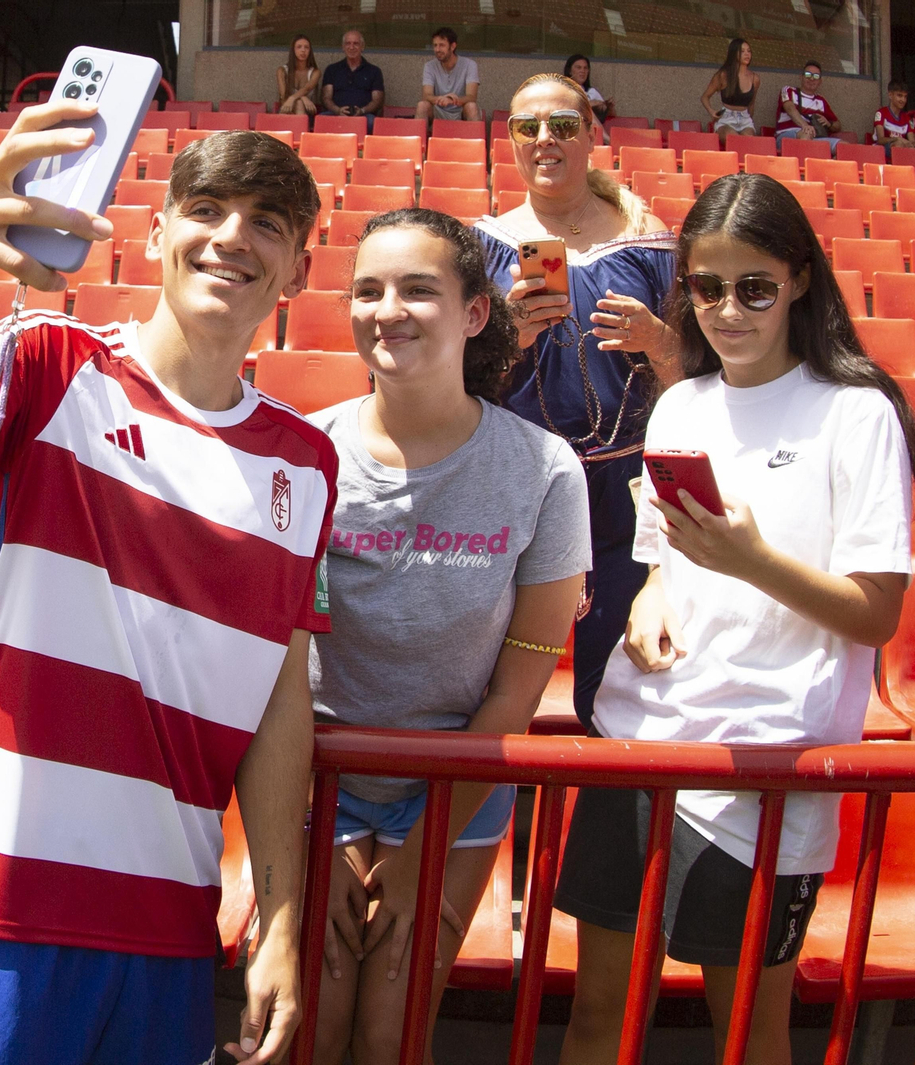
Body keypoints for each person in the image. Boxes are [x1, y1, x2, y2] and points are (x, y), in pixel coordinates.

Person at [0, 117, 335, 1065]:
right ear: (156, 233)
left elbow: (280, 701)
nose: (232, 236)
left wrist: (279, 924)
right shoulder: (48, 358)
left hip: (171, 928)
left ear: (299, 271)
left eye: (267, 222)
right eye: (206, 209)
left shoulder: (307, 463)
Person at [552, 172, 915, 1065]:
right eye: (707, 287)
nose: (728, 310)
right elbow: (661, 560)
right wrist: (650, 600)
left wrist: (754, 562)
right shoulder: (680, 404)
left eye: (754, 287)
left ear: (799, 279)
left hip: (764, 767)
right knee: (599, 1017)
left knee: (747, 1034)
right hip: (641, 742)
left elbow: (876, 614)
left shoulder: (856, 414)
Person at [308, 208, 590, 1065]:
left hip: (457, 774)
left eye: (418, 289)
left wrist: (426, 845)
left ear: (474, 313)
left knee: (391, 1030)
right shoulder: (305, 455)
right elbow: (274, 662)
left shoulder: (545, 469)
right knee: (312, 1022)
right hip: (318, 770)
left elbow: (524, 675)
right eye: (368, 289)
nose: (387, 310)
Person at [477, 73, 680, 730]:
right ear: (509, 140)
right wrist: (507, 339)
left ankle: (606, 800)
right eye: (527, 127)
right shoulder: (479, 247)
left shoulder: (648, 243)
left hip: (627, 495)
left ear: (592, 136)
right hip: (518, 487)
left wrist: (658, 342)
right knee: (496, 685)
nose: (545, 139)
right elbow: (448, 387)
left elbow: (702, 384)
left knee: (621, 690)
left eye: (563, 125)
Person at [322, 29, 385, 128]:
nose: (351, 47)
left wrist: (362, 111)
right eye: (348, 43)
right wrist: (338, 110)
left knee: (372, 123)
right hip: (336, 114)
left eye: (356, 43)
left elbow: (377, 101)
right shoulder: (332, 69)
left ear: (362, 47)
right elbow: (326, 98)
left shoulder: (374, 71)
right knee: (321, 120)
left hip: (364, 115)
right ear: (343, 47)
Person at [700, 38, 758, 144]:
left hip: (745, 119)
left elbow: (751, 103)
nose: (747, 54)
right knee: (733, 138)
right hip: (727, 118)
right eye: (742, 51)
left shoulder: (755, 78)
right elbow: (705, 97)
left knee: (748, 140)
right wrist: (711, 111)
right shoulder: (723, 75)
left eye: (749, 51)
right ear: (734, 53)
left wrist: (750, 119)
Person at [415, 28, 480, 123]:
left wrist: (451, 100)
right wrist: (441, 99)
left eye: (441, 45)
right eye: (435, 45)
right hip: (438, 111)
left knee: (471, 106)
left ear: (453, 46)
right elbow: (426, 95)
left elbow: (471, 97)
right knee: (422, 105)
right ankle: (418, 133)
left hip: (460, 111)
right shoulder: (429, 66)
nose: (437, 49)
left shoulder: (470, 65)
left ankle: (475, 133)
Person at [775, 61, 841, 153]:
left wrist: (829, 123)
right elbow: (790, 108)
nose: (812, 78)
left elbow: (838, 125)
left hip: (814, 138)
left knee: (844, 146)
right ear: (801, 77)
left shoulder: (821, 100)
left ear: (820, 81)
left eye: (816, 76)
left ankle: (825, 163)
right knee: (806, 134)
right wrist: (805, 126)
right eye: (808, 74)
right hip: (787, 136)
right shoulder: (788, 90)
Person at [276, 34, 321, 117]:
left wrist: (292, 98)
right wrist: (303, 98)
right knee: (299, 102)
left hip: (308, 112)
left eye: (306, 47)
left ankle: (299, 125)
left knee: (299, 103)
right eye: (299, 47)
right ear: (293, 50)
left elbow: (307, 89)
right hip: (286, 109)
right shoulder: (282, 71)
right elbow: (283, 96)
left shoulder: (315, 72)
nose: (303, 50)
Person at [565, 54, 612, 123]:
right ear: (570, 71)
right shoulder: (562, 90)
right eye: (578, 67)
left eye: (585, 68)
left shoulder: (592, 92)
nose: (582, 71)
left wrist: (608, 107)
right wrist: (589, 104)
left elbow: (609, 116)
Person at [872, 80, 913, 156]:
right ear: (890, 95)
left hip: (901, 149)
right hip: (880, 150)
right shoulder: (881, 113)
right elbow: (880, 139)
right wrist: (897, 139)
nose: (903, 100)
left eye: (905, 97)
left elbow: (912, 142)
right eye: (899, 96)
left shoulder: (907, 117)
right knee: (898, 144)